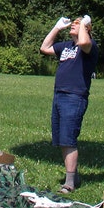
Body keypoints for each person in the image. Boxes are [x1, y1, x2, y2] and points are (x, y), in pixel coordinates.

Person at [40, 13, 96, 193]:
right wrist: (57, 27)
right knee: (61, 139)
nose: (73, 25)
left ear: (86, 29)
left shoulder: (88, 46)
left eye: (77, 24)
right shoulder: (66, 46)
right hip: (59, 95)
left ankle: (70, 183)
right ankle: (73, 175)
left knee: (68, 138)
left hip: (74, 96)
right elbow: (44, 47)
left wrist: (84, 26)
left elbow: (85, 43)